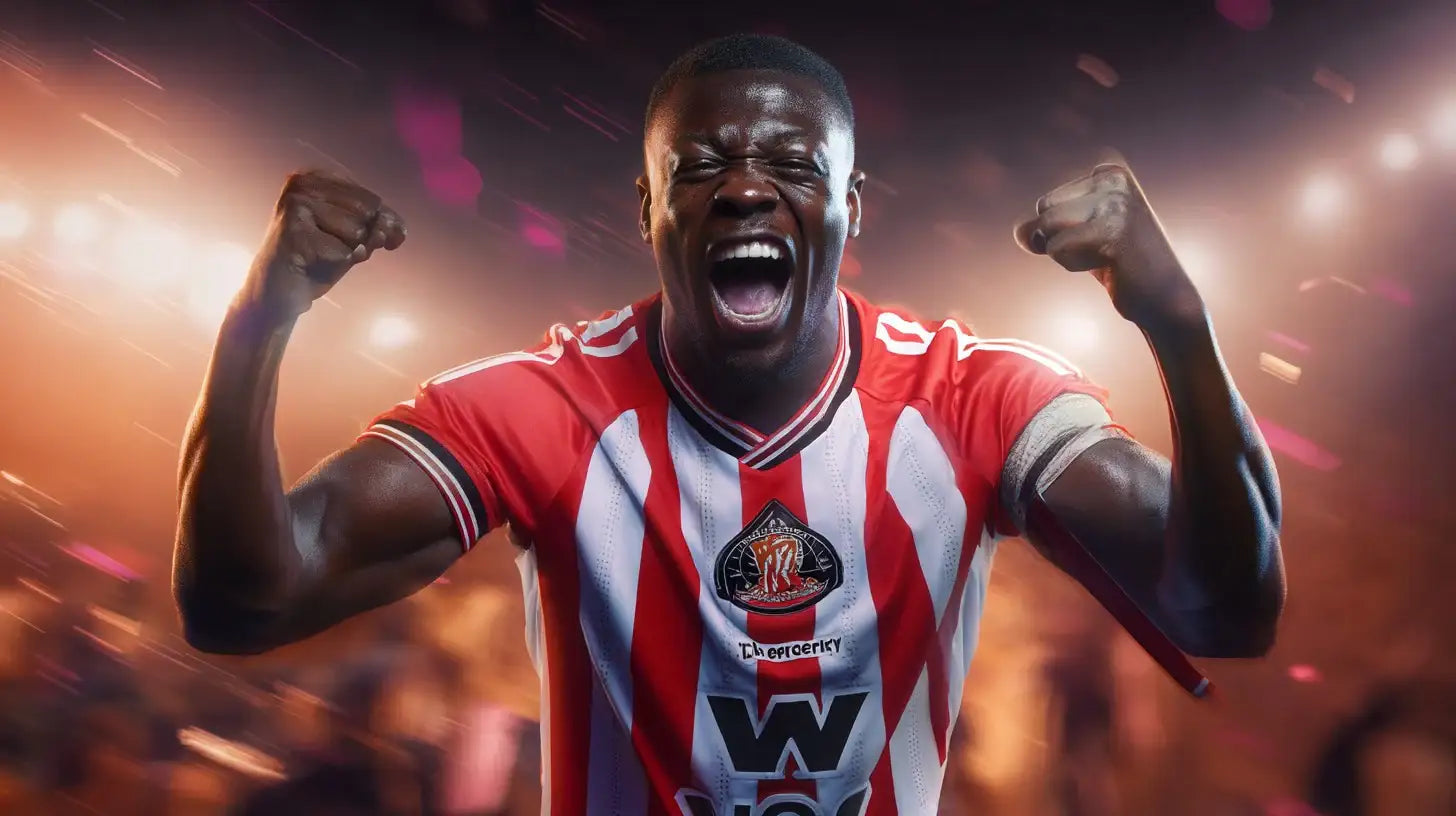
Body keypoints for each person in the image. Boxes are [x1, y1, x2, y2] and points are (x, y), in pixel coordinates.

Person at [172, 34, 1285, 815]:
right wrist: (257, 323)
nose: (745, 190)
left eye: (793, 167)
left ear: (852, 208)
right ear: (646, 209)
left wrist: (1178, 325)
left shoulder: (972, 396)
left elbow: (1225, 609)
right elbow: (241, 603)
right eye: (699, 167)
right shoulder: (542, 406)